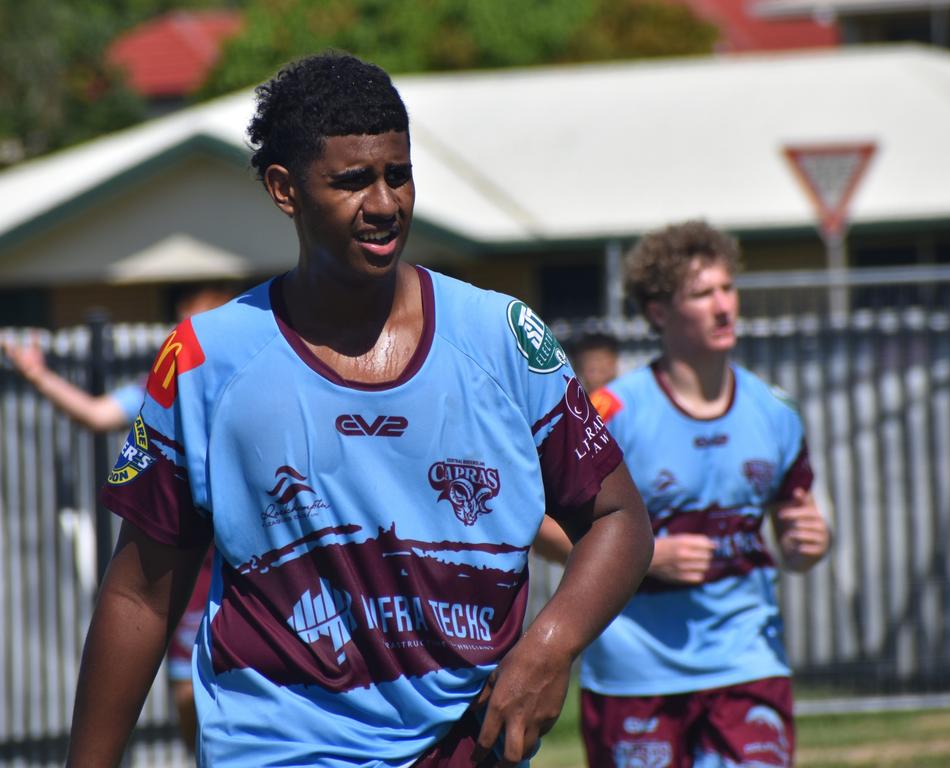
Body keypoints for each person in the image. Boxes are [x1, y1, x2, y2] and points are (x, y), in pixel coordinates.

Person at [65, 51, 653, 768]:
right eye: (352, 181)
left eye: (397, 174)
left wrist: (550, 647)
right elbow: (139, 597)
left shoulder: (500, 338)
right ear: (285, 190)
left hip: (467, 747)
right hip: (279, 746)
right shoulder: (204, 361)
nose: (384, 203)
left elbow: (620, 519)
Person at [535, 220, 832, 767]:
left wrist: (811, 543)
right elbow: (539, 522)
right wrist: (644, 555)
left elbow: (801, 528)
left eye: (727, 288)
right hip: (636, 671)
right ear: (658, 312)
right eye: (702, 294)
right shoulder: (610, 413)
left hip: (748, 663)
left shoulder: (775, 411)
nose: (724, 306)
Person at [3, 283, 232, 754]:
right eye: (189, 318)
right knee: (187, 692)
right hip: (187, 566)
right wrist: (39, 376)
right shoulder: (173, 382)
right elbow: (97, 412)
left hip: (242, 565)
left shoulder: (255, 373)